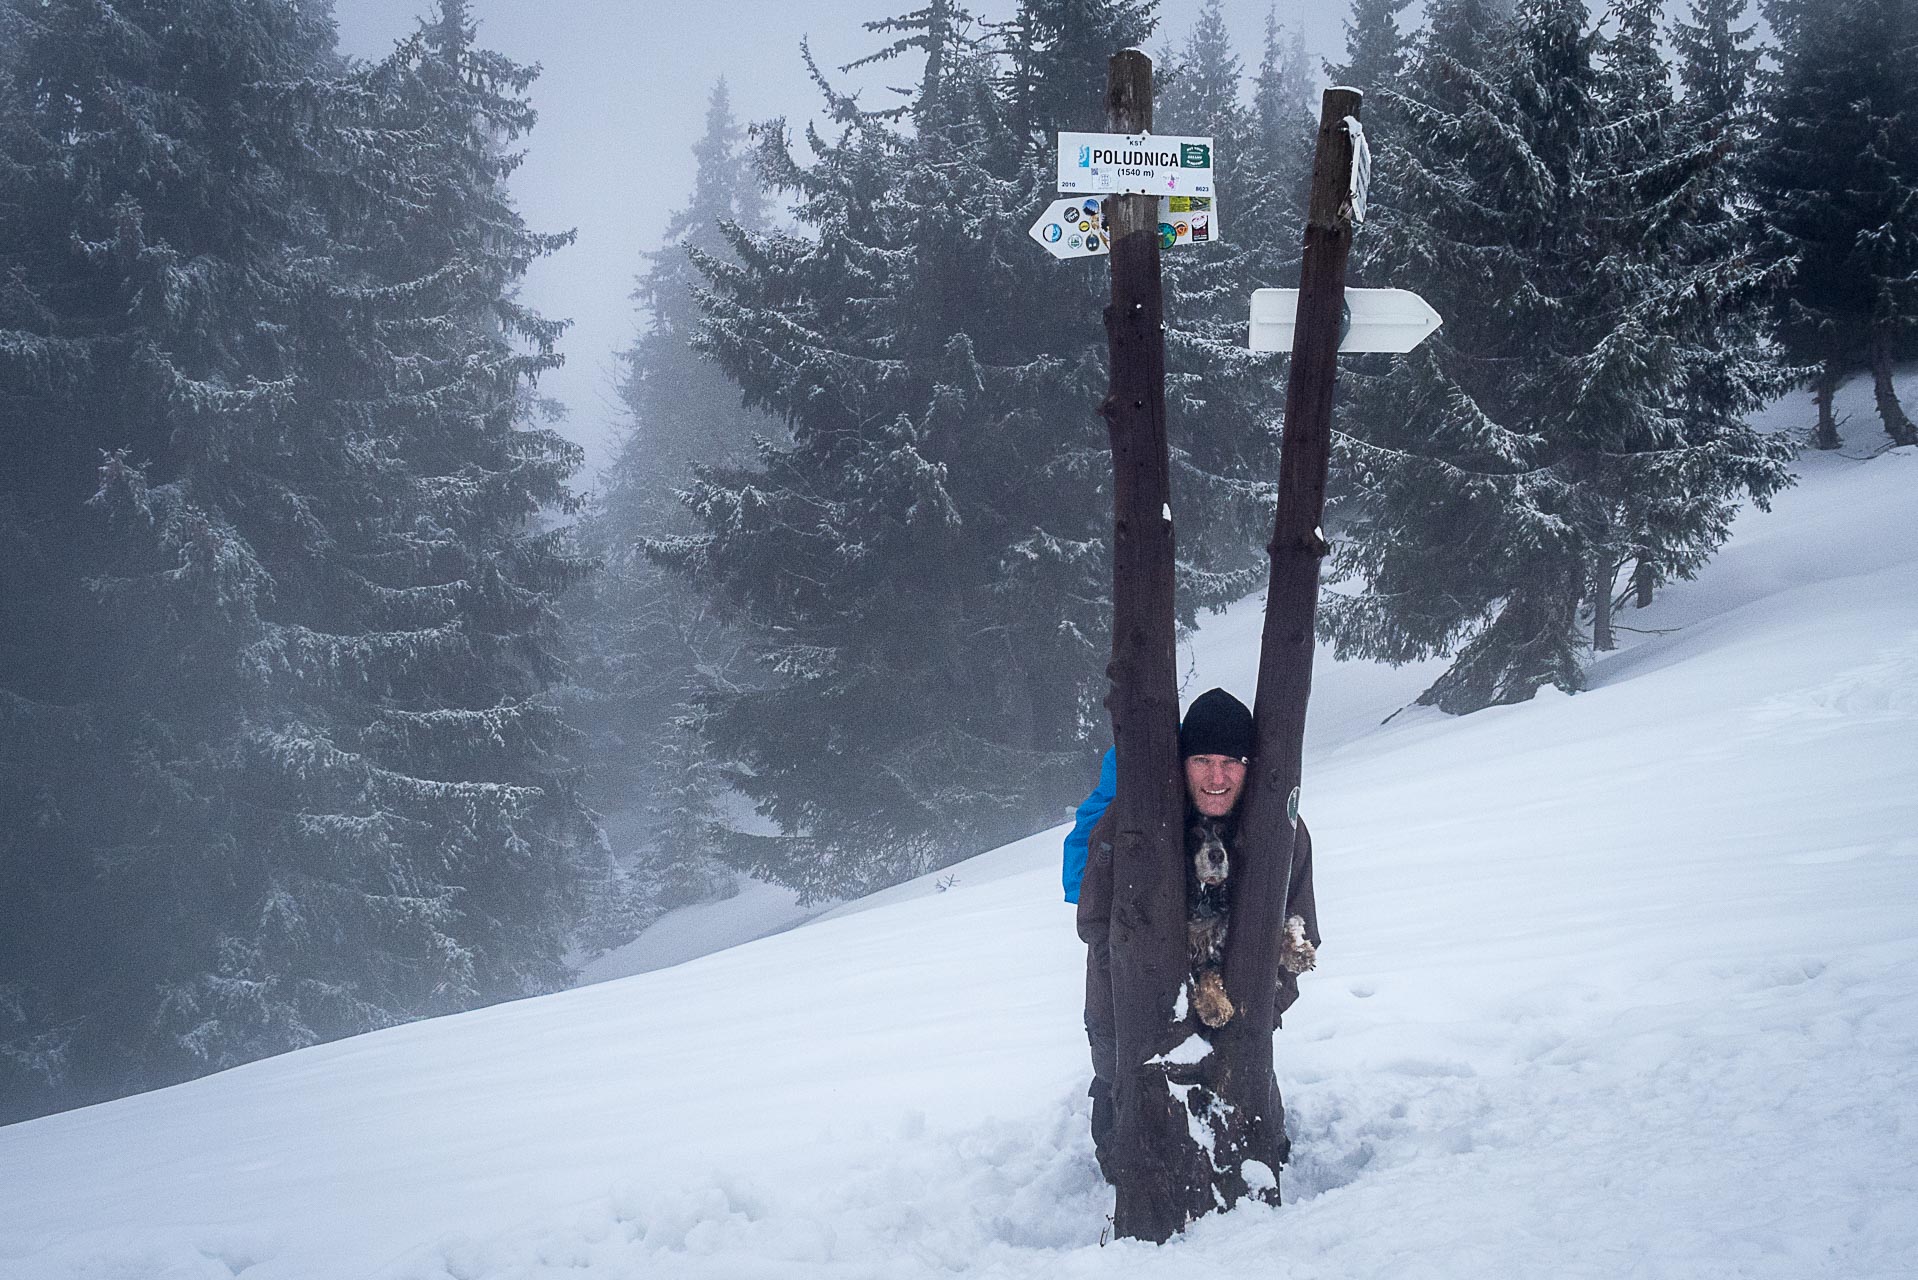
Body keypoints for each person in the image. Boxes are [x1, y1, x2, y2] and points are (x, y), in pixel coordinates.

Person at [1072, 687, 1320, 1181]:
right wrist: (1150, 1006)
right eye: (1202, 760)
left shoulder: (1280, 831)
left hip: (1236, 1023)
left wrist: (1255, 1014)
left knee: (1259, 1151)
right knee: (1132, 1162)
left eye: (1232, 761)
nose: (1216, 777)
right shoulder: (1131, 823)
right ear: (1181, 762)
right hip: (1134, 1023)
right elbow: (1096, 926)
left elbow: (1301, 929)